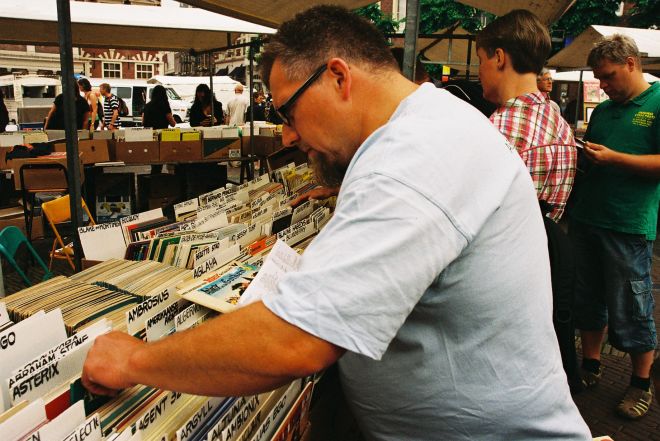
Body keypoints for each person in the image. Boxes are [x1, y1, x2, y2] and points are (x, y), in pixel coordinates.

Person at [82, 6, 591, 440]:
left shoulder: (413, 157)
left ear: (338, 77)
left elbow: (296, 341)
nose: (286, 135)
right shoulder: (427, 127)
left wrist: (133, 361)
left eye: (288, 111)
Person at [568, 33, 660, 419]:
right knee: (587, 299)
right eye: (599, 79)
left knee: (633, 305)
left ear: (631, 64)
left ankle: (640, 383)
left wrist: (616, 158)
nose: (602, 86)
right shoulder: (604, 112)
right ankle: (590, 365)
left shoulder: (657, 103)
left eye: (607, 77)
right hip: (588, 217)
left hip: (627, 222)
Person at [477, 10, 576, 223]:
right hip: (544, 252)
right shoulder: (561, 126)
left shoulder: (498, 130)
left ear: (499, 58)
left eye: (480, 60)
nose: (479, 71)